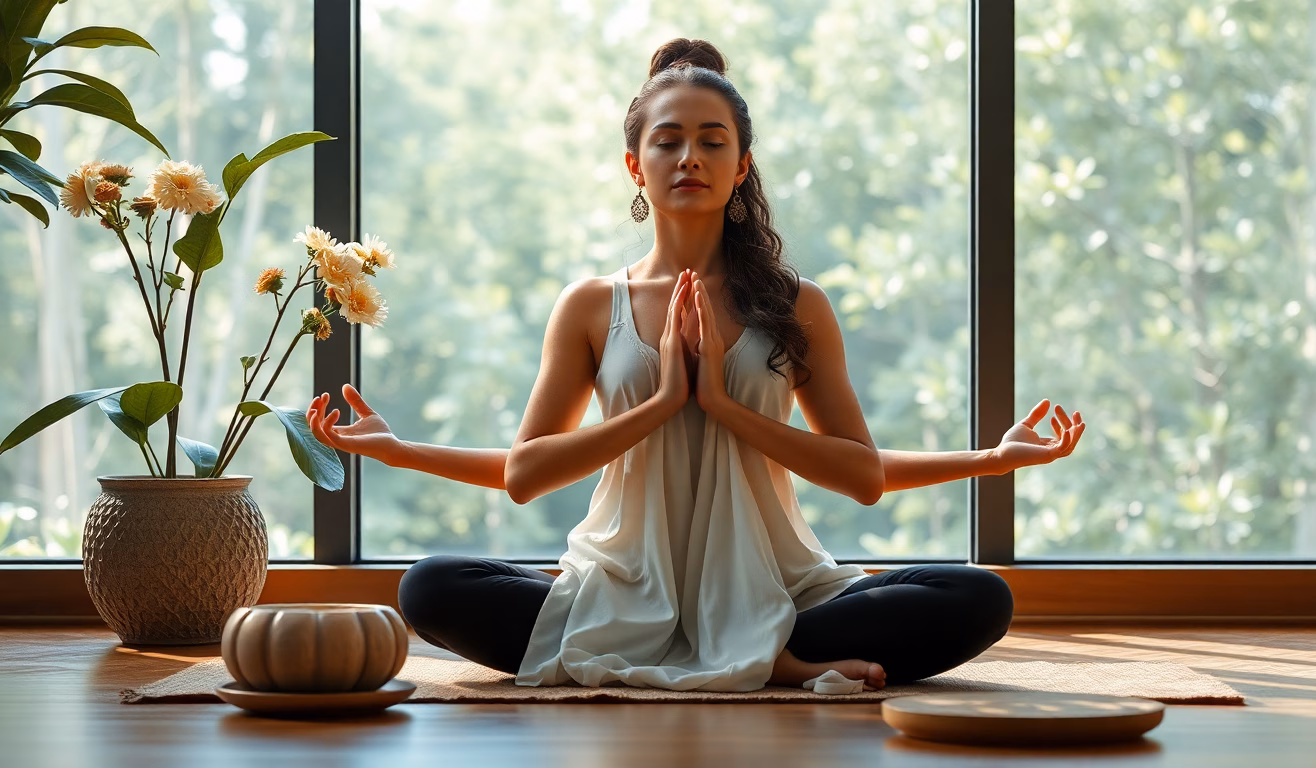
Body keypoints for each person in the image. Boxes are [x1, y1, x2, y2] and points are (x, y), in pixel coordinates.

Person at [307, 39, 1085, 692]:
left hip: (774, 585)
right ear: (633, 163)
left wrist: (726, 403)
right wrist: (659, 402)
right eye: (668, 140)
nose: (690, 157)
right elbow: (527, 472)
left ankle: (755, 645)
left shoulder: (798, 304)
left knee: (976, 594)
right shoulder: (589, 304)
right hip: (620, 582)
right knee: (430, 584)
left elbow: (859, 473)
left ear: (742, 165)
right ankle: (770, 664)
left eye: (713, 141)